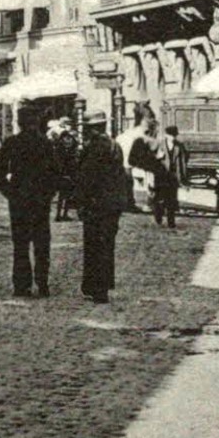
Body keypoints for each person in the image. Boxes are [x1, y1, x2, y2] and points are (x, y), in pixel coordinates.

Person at [0, 105, 62, 297]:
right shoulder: (45, 144)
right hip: (40, 200)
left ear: (19, 122)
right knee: (41, 243)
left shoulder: (12, 143)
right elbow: (56, 173)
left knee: (21, 243)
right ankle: (42, 283)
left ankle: (22, 285)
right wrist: (49, 194)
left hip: (19, 200)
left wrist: (9, 192)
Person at [74, 112, 133, 303]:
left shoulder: (93, 149)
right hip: (112, 204)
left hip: (95, 204)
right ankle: (104, 286)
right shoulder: (115, 146)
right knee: (107, 245)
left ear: (93, 129)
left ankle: (95, 288)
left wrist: (80, 202)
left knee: (93, 245)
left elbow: (86, 178)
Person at [130, 116, 170, 225]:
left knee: (150, 189)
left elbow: (132, 157)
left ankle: (153, 206)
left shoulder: (139, 140)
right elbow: (161, 157)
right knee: (154, 190)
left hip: (142, 168)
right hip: (153, 169)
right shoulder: (156, 142)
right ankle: (156, 207)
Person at [153, 125, 188, 229]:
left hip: (173, 177)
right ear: (166, 135)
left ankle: (171, 222)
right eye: (170, 136)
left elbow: (184, 159)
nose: (172, 138)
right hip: (161, 176)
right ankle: (158, 215)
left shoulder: (179, 146)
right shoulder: (159, 145)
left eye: (174, 136)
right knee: (160, 199)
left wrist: (183, 176)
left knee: (172, 200)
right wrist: (157, 157)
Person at [51, 117, 82, 222]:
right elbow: (74, 155)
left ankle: (59, 214)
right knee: (67, 194)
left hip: (61, 172)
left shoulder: (59, 142)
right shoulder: (71, 139)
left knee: (62, 195)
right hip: (69, 171)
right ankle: (63, 214)